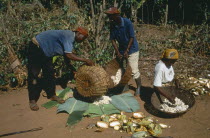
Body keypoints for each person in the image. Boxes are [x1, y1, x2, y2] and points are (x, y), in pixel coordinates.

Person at [27, 27, 94, 111]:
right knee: (34, 75)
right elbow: (69, 55)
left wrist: (72, 69)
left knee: (50, 73)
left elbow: (66, 56)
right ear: (78, 33)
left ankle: (52, 95)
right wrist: (85, 60)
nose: (82, 40)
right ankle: (32, 100)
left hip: (46, 52)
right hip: (36, 47)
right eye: (83, 38)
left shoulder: (70, 39)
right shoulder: (68, 36)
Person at [104, 7, 141, 96]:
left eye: (111, 16)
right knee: (120, 69)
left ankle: (139, 87)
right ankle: (125, 86)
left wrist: (127, 50)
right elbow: (112, 39)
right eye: (109, 16)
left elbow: (132, 37)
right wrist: (117, 51)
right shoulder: (113, 25)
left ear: (117, 15)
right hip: (121, 49)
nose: (109, 18)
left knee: (133, 70)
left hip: (132, 49)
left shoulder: (127, 22)